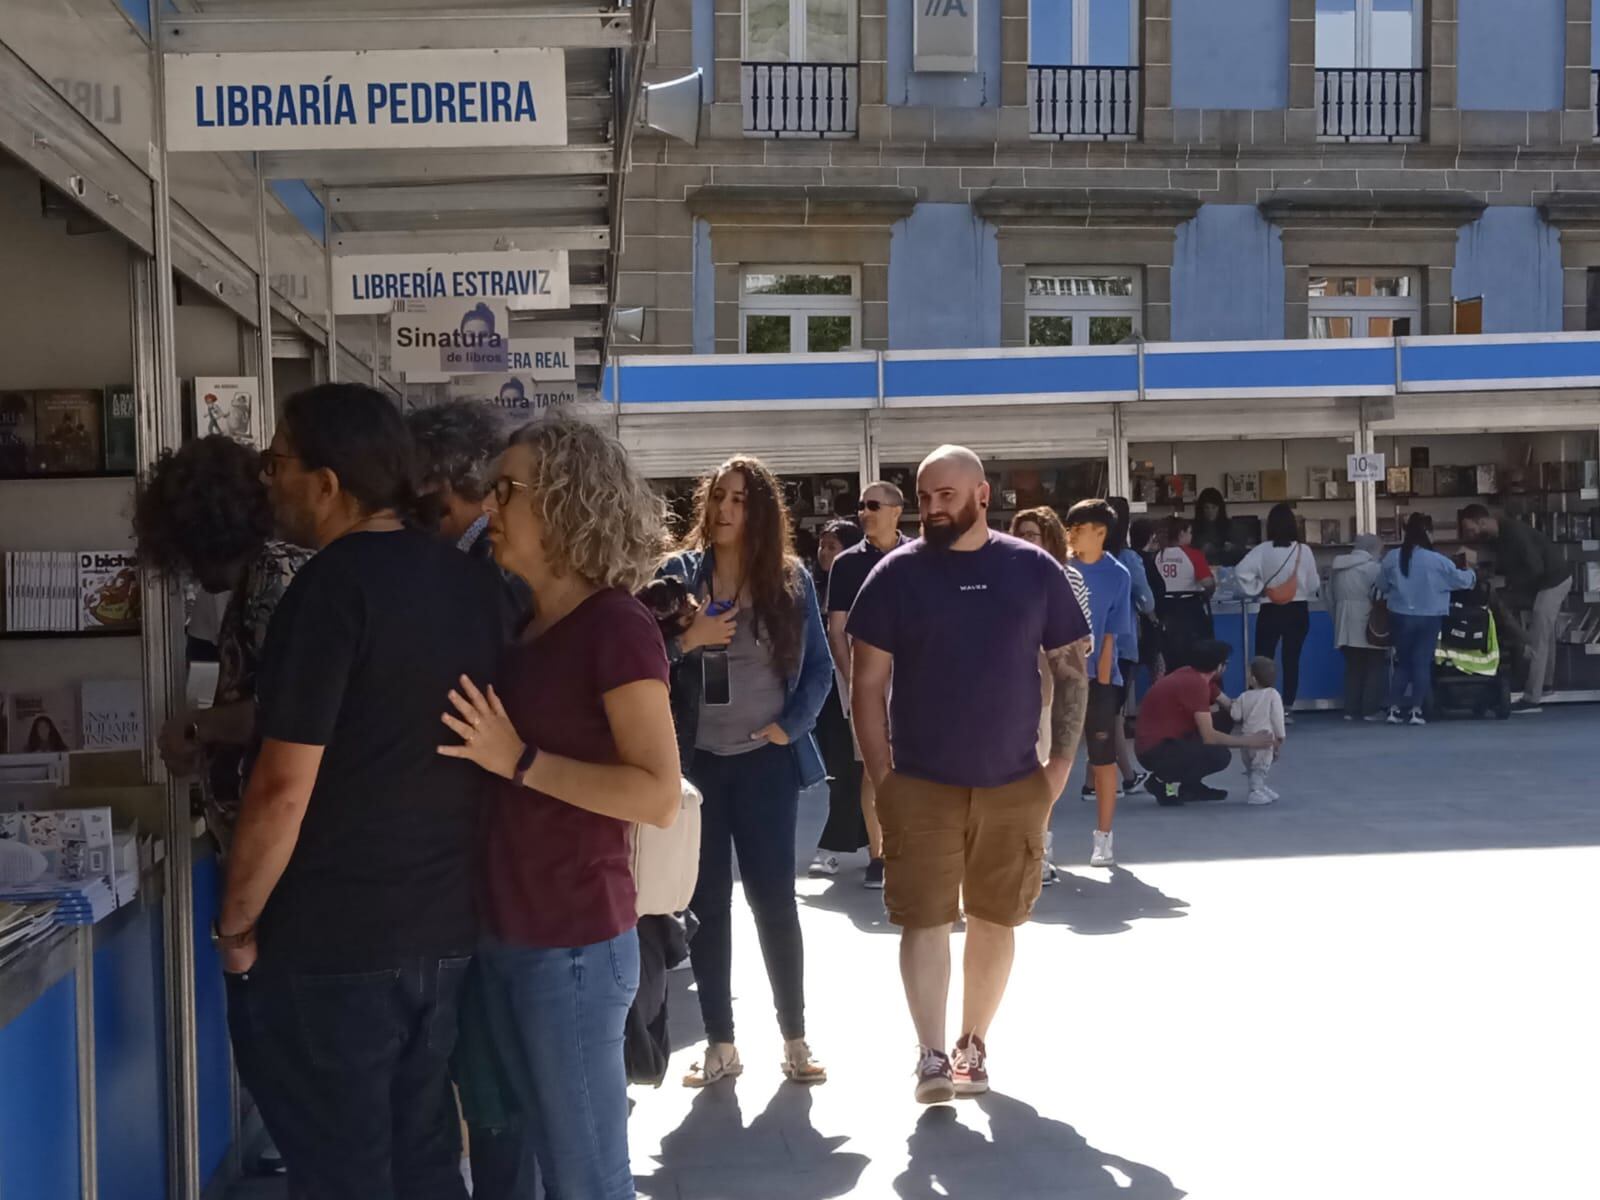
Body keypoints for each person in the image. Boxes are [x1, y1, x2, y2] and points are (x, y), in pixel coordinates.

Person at [215, 383, 511, 1198]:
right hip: (443, 926)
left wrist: (236, 922)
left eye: (278, 462)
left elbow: (282, 784)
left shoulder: (329, 590)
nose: (268, 480)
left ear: (328, 481)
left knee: (342, 1169)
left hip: (335, 938)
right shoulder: (470, 584)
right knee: (421, 1159)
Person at [439, 415, 682, 1199]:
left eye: (505, 489)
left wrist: (519, 761)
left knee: (586, 1180)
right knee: (536, 1169)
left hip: (570, 941)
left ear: (564, 503)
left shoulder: (615, 624)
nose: (488, 505)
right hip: (514, 934)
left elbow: (657, 793)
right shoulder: (527, 624)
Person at [848, 445, 1091, 1103]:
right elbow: (865, 687)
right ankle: (929, 1054)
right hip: (920, 782)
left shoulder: (1034, 570)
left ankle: (972, 1044)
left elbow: (1072, 672)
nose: (932, 508)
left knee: (996, 917)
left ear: (982, 495)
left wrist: (1060, 766)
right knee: (923, 918)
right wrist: (883, 777)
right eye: (924, 496)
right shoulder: (894, 576)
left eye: (945, 495)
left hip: (1015, 780)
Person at [658, 455, 833, 1089]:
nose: (725, 510)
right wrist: (687, 640)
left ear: (759, 513)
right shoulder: (679, 575)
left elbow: (819, 669)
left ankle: (795, 1037)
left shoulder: (788, 579)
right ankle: (720, 1044)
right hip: (696, 766)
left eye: (739, 500)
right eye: (718, 498)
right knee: (705, 904)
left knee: (772, 899)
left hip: (765, 762)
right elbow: (641, 656)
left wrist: (792, 725)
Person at [406, 400, 531, 1198]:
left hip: (499, 855)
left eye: (432, 501)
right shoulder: (495, 574)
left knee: (494, 1079)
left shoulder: (495, 579)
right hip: (493, 857)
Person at [133, 436, 308, 854]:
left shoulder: (274, 577)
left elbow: (290, 711)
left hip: (287, 851)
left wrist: (200, 727)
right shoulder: (250, 582)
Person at [825, 480, 910, 888]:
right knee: (871, 767)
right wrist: (853, 680)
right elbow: (836, 628)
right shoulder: (846, 564)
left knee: (919, 763)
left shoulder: (919, 556)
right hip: (864, 677)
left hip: (916, 679)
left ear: (897, 510)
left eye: (873, 505)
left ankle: (912, 847)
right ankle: (879, 856)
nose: (864, 512)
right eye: (861, 505)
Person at [1063, 500, 1135, 869]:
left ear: (1100, 533)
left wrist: (1103, 683)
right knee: (1050, 759)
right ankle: (1039, 841)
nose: (1071, 534)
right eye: (1069, 527)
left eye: (1078, 528)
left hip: (1100, 677)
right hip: (1058, 676)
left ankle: (1104, 838)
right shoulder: (1058, 567)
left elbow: (1111, 634)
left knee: (1102, 759)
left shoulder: (1118, 574)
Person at [1458, 503, 1573, 712]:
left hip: (1552, 580)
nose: (1469, 534)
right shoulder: (1499, 535)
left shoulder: (1514, 533)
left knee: (1539, 634)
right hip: (1548, 579)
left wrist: (1509, 586)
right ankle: (1545, 684)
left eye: (1470, 529)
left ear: (1481, 521)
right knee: (1544, 633)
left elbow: (1534, 567)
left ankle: (1532, 697)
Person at [1135, 639, 1273, 804]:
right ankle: (1161, 782)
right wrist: (1250, 741)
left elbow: (1232, 708)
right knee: (1219, 755)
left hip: (1172, 739)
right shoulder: (1195, 685)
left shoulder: (1195, 675)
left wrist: (1262, 709)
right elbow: (1209, 736)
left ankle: (1191, 787)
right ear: (1218, 666)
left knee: (1225, 719)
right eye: (1225, 663)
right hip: (1155, 750)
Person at [810, 517, 868, 877]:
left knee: (851, 770)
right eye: (822, 545)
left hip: (852, 688)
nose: (824, 552)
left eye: (833, 546)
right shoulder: (809, 586)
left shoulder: (859, 584)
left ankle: (834, 844)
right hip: (823, 691)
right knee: (840, 768)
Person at [1379, 512, 1477, 726]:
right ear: (1429, 533)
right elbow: (1462, 581)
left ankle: (1393, 709)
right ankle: (1416, 711)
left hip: (1400, 615)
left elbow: (1382, 585)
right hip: (1430, 616)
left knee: (1403, 663)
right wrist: (1471, 571)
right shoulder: (1438, 560)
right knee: (1422, 663)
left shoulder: (1392, 557)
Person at [1233, 503, 1321, 721]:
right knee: (1292, 660)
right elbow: (1313, 584)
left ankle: (1261, 708)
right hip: (1298, 608)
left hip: (1270, 608)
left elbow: (1240, 571)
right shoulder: (1304, 550)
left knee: (1264, 659)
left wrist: (1258, 589)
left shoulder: (1262, 550)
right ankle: (1287, 707)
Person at [1106, 498, 1155, 790]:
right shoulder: (1128, 558)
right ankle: (1127, 775)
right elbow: (1146, 599)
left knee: (1104, 711)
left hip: (1092, 641)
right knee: (1115, 712)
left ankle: (1107, 777)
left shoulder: (1087, 556)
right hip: (1123, 641)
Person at [1328, 533, 1387, 722]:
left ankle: (1350, 710)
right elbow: (1383, 593)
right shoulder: (1373, 569)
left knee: (1353, 667)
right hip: (1368, 622)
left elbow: (1328, 597)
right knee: (1375, 665)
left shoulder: (1337, 568)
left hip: (1343, 622)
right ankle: (1370, 710)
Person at [1153, 516, 1214, 671]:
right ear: (1181, 533)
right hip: (1190, 610)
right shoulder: (1194, 555)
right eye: (1189, 532)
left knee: (1170, 660)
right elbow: (1208, 583)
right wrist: (1208, 593)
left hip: (1164, 610)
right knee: (1198, 660)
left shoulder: (1157, 556)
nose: (1191, 536)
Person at [1231, 657, 1286, 806]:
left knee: (1252, 767)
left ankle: (1259, 788)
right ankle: (1255, 791)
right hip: (1264, 739)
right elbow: (1277, 717)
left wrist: (1234, 703)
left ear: (1253, 679)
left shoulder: (1243, 696)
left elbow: (1235, 715)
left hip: (1246, 740)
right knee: (1260, 767)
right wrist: (1280, 736)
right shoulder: (1273, 695)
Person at [1191, 487, 1237, 565]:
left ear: (1220, 508)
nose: (1210, 511)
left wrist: (1232, 547)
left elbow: (1240, 549)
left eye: (1214, 507)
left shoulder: (1229, 525)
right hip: (1201, 567)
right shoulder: (1193, 527)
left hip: (1224, 566)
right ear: (1201, 509)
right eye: (1206, 508)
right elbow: (1188, 552)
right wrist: (1200, 550)